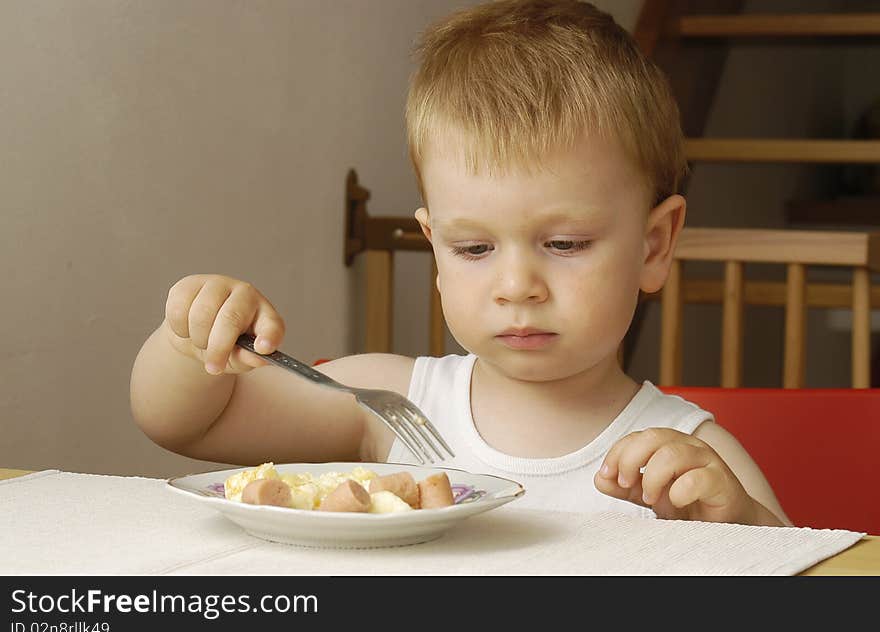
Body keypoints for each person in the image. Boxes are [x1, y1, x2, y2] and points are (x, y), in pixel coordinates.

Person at [130, 0, 790, 526]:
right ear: (435, 246)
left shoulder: (689, 451)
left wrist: (740, 523)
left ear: (653, 246)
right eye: (473, 248)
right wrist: (193, 338)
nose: (516, 287)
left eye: (564, 244)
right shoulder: (387, 406)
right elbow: (189, 423)